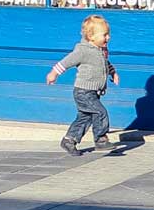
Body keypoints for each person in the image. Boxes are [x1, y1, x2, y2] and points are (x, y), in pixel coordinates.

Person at [47, 12, 121, 154]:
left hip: (93, 92)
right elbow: (66, 62)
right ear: (91, 36)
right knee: (100, 112)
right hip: (83, 92)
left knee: (85, 117)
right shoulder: (83, 51)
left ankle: (69, 140)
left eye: (108, 34)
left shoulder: (101, 50)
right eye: (105, 35)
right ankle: (101, 140)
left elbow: (105, 63)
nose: (108, 37)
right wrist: (54, 73)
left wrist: (113, 73)